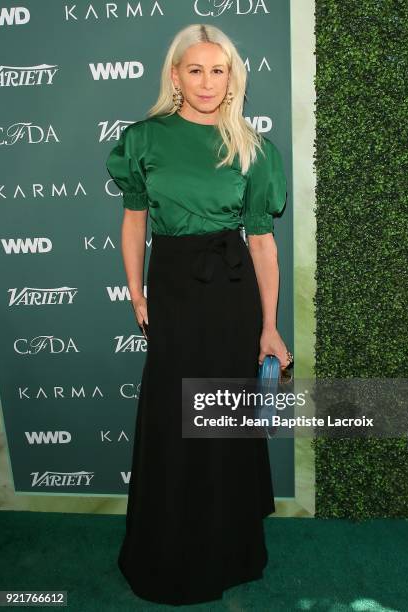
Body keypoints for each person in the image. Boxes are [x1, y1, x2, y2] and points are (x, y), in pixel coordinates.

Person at [106, 23, 293, 606]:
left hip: (231, 294)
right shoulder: (143, 140)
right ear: (175, 75)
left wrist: (268, 325)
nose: (208, 82)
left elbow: (262, 242)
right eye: (196, 69)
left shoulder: (253, 147)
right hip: (174, 292)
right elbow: (135, 220)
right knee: (171, 419)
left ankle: (229, 551)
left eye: (219, 70)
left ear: (233, 77)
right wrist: (137, 295)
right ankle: (166, 552)